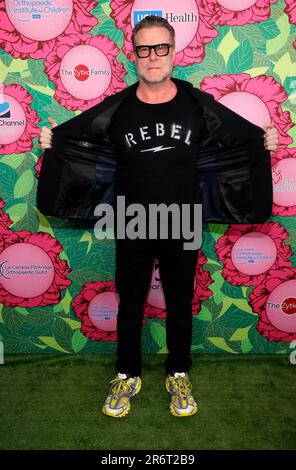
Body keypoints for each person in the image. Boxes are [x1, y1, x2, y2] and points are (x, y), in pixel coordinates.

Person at [37, 16, 279, 419]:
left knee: (180, 303)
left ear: (173, 51)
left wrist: (262, 141)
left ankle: (178, 372)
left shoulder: (197, 105)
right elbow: (82, 143)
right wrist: (55, 142)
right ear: (134, 56)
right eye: (144, 49)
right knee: (130, 302)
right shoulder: (118, 109)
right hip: (133, 220)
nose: (153, 57)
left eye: (161, 47)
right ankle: (127, 373)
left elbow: (236, 141)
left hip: (182, 219)